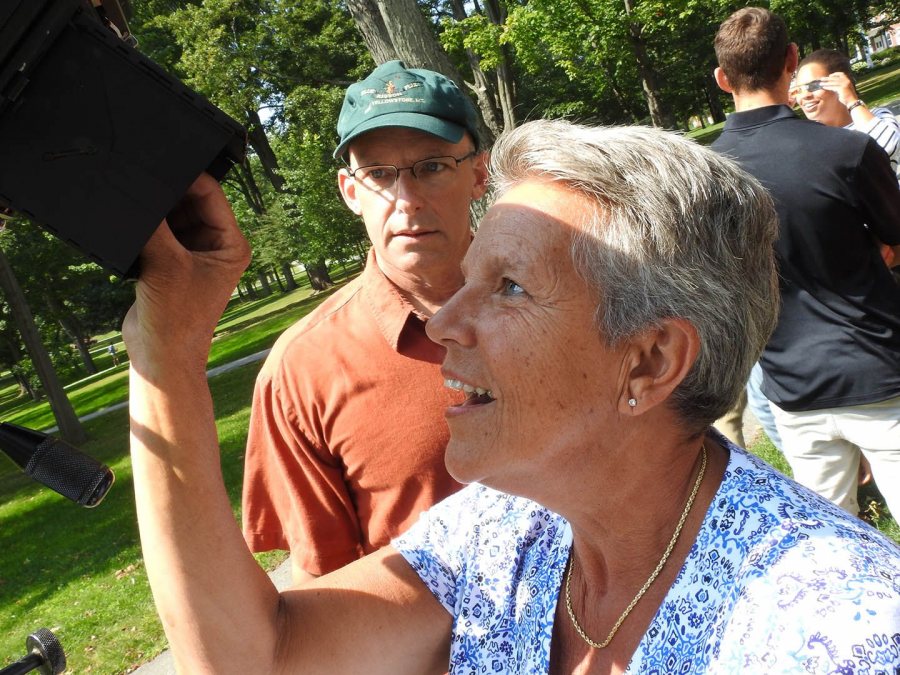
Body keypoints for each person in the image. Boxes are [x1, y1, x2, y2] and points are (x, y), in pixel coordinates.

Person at [124, 119, 900, 674]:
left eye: (510, 287)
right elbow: (258, 657)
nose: (446, 321)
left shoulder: (841, 632)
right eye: (469, 279)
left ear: (650, 360)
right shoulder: (507, 528)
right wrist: (166, 348)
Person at [240, 61, 489, 581]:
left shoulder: (561, 296)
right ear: (350, 192)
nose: (406, 199)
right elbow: (326, 587)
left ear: (479, 174)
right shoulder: (301, 372)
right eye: (377, 174)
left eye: (432, 166)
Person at [712, 7, 900, 518]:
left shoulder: (704, 176)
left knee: (834, 544)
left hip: (792, 386)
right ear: (792, 61)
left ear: (722, 78)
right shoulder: (847, 150)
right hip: (877, 369)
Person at [792, 48, 900, 180]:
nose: (805, 96)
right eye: (798, 90)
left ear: (841, 83)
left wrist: (852, 101)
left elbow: (885, 148)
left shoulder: (879, 116)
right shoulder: (806, 137)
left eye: (814, 86)